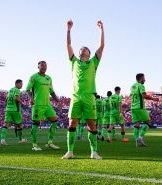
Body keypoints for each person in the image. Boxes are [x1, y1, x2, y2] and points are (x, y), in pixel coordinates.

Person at [62, 19, 105, 160]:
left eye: (84, 49)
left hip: (89, 97)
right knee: (71, 123)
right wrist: (68, 30)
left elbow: (102, 45)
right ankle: (70, 151)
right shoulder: (73, 61)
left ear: (88, 53)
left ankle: (94, 152)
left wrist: (101, 29)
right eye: (80, 50)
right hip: (75, 96)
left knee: (92, 124)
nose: (81, 50)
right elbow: (68, 44)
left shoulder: (94, 62)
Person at [26, 61, 61, 151]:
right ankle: (34, 145)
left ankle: (49, 142)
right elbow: (28, 89)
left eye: (45, 65)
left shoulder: (49, 78)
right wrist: (31, 98)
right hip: (37, 104)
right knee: (36, 124)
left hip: (47, 104)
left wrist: (57, 100)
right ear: (38, 66)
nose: (44, 67)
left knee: (55, 120)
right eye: (42, 65)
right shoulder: (34, 77)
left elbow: (51, 91)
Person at [131, 73, 159, 147]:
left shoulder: (133, 86)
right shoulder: (141, 85)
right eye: (144, 78)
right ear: (141, 78)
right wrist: (153, 98)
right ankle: (140, 138)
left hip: (133, 107)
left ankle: (137, 142)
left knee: (137, 124)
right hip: (139, 107)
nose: (145, 80)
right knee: (148, 121)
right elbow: (144, 95)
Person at [1, 79, 27, 145]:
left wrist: (8, 106)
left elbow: (6, 99)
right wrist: (22, 103)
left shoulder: (10, 90)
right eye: (21, 84)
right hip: (15, 110)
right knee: (20, 125)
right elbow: (16, 98)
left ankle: (2, 140)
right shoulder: (17, 90)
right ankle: (20, 140)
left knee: (5, 125)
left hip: (8, 110)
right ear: (17, 84)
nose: (21, 85)